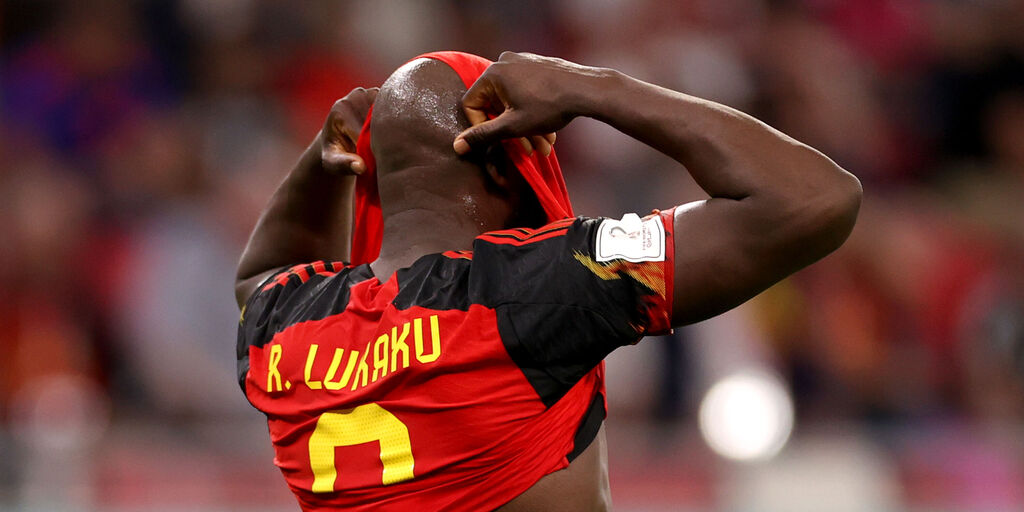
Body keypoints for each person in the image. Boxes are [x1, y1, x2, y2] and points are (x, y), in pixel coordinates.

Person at [234, 51, 861, 511]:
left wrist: (321, 161)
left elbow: (262, 272)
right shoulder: (534, 284)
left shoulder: (287, 327)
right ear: (504, 165)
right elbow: (814, 199)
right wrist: (591, 87)